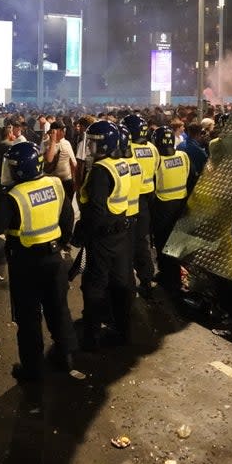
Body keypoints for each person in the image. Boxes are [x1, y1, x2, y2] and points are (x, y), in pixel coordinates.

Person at [0, 141, 79, 381]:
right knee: (58, 308)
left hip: (25, 262)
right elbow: (67, 219)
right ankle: (65, 356)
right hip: (54, 257)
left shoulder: (13, 196)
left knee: (28, 316)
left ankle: (32, 368)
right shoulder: (55, 184)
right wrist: (60, 244)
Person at [74, 120, 133, 351]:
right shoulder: (122, 164)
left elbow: (96, 210)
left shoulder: (100, 171)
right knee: (120, 284)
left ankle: (90, 336)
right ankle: (122, 331)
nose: (90, 147)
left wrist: (83, 235)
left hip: (102, 236)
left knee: (94, 285)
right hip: (121, 232)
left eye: (94, 143)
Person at [150, 125, 191, 292]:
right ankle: (174, 275)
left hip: (162, 205)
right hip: (181, 205)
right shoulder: (183, 156)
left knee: (162, 243)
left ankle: (168, 277)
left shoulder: (157, 160)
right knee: (176, 243)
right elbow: (190, 176)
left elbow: (152, 184)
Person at [124, 114, 158, 297]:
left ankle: (127, 283)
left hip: (131, 199)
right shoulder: (152, 148)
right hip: (147, 198)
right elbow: (157, 168)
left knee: (127, 244)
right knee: (142, 241)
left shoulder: (128, 149)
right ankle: (146, 279)